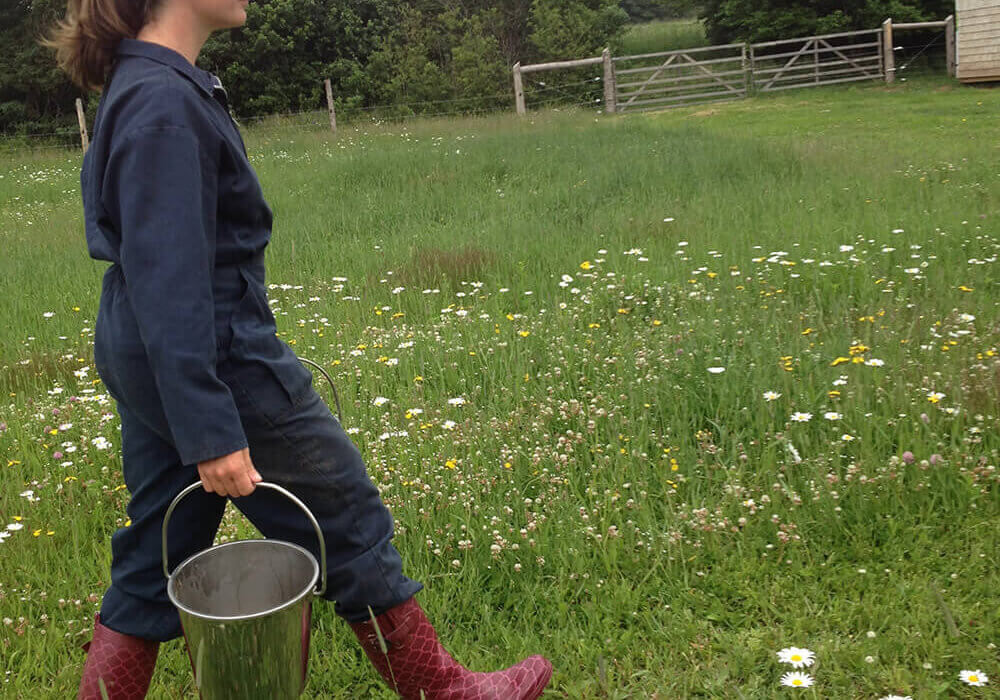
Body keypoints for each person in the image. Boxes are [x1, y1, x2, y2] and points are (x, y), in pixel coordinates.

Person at [40, 0, 553, 698]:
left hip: (159, 352)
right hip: (214, 356)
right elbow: (169, 279)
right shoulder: (163, 103)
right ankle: (443, 691)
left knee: (159, 543)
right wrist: (210, 428)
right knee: (345, 513)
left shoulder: (153, 86)